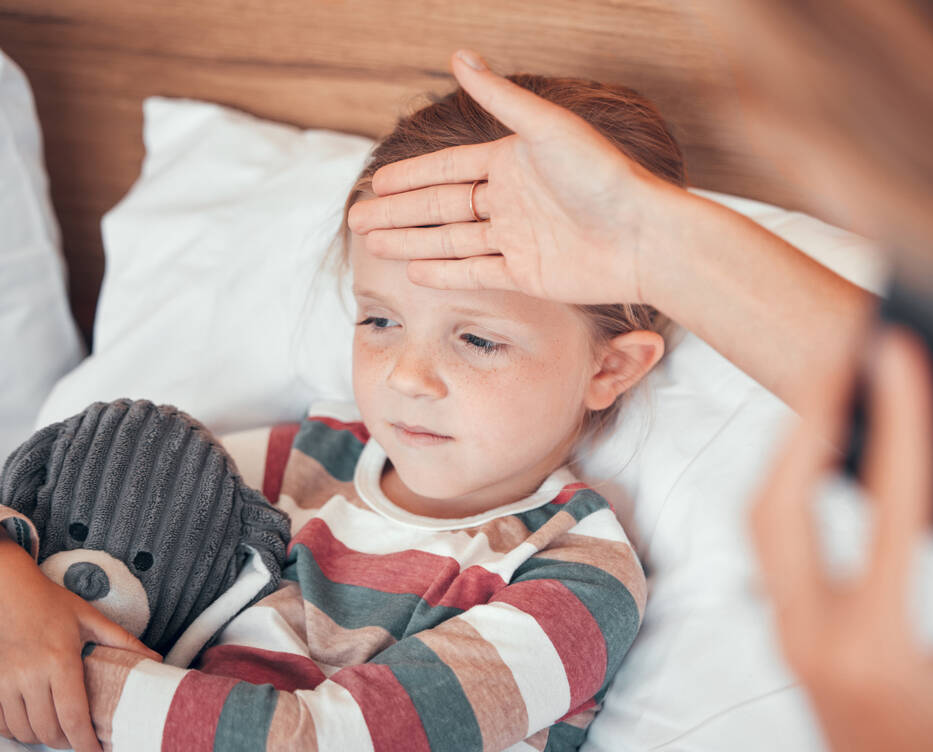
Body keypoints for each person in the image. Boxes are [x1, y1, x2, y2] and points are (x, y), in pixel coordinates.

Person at [344, 3, 933, 747]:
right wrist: (649, 241)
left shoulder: (567, 574)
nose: (773, 130)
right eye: (377, 319)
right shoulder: (319, 453)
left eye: (801, 92)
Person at [0, 74, 683, 752]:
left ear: (609, 367)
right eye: (380, 319)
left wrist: (47, 668)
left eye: (478, 338)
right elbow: (74, 488)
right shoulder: (305, 458)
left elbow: (320, 741)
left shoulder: (575, 579)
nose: (407, 376)